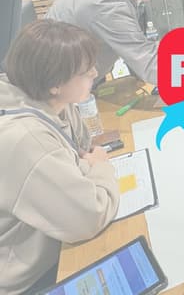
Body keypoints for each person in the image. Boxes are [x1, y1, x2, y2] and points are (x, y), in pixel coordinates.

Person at [0, 20, 119, 294]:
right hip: (31, 278)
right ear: (55, 83)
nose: (95, 73)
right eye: (86, 71)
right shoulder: (27, 139)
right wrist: (101, 168)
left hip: (51, 240)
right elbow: (88, 217)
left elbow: (82, 149)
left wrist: (89, 164)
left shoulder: (51, 100)